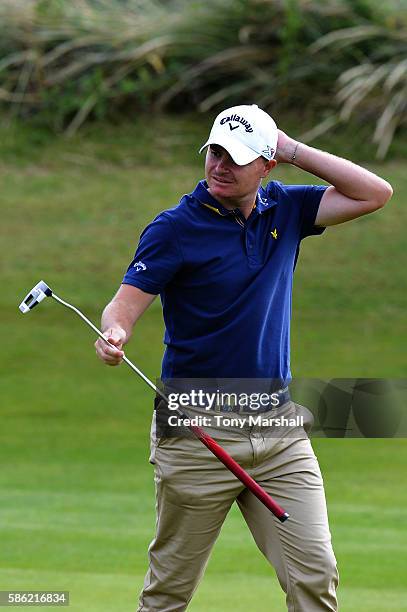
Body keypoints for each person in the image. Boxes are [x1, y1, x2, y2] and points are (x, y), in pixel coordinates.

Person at [95, 104, 393, 611]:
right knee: (168, 592)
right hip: (196, 436)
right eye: (214, 152)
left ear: (266, 165)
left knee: (316, 578)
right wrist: (115, 333)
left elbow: (375, 193)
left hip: (279, 432)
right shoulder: (174, 228)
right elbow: (123, 305)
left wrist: (294, 149)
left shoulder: (287, 209)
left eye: (235, 157)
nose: (219, 166)